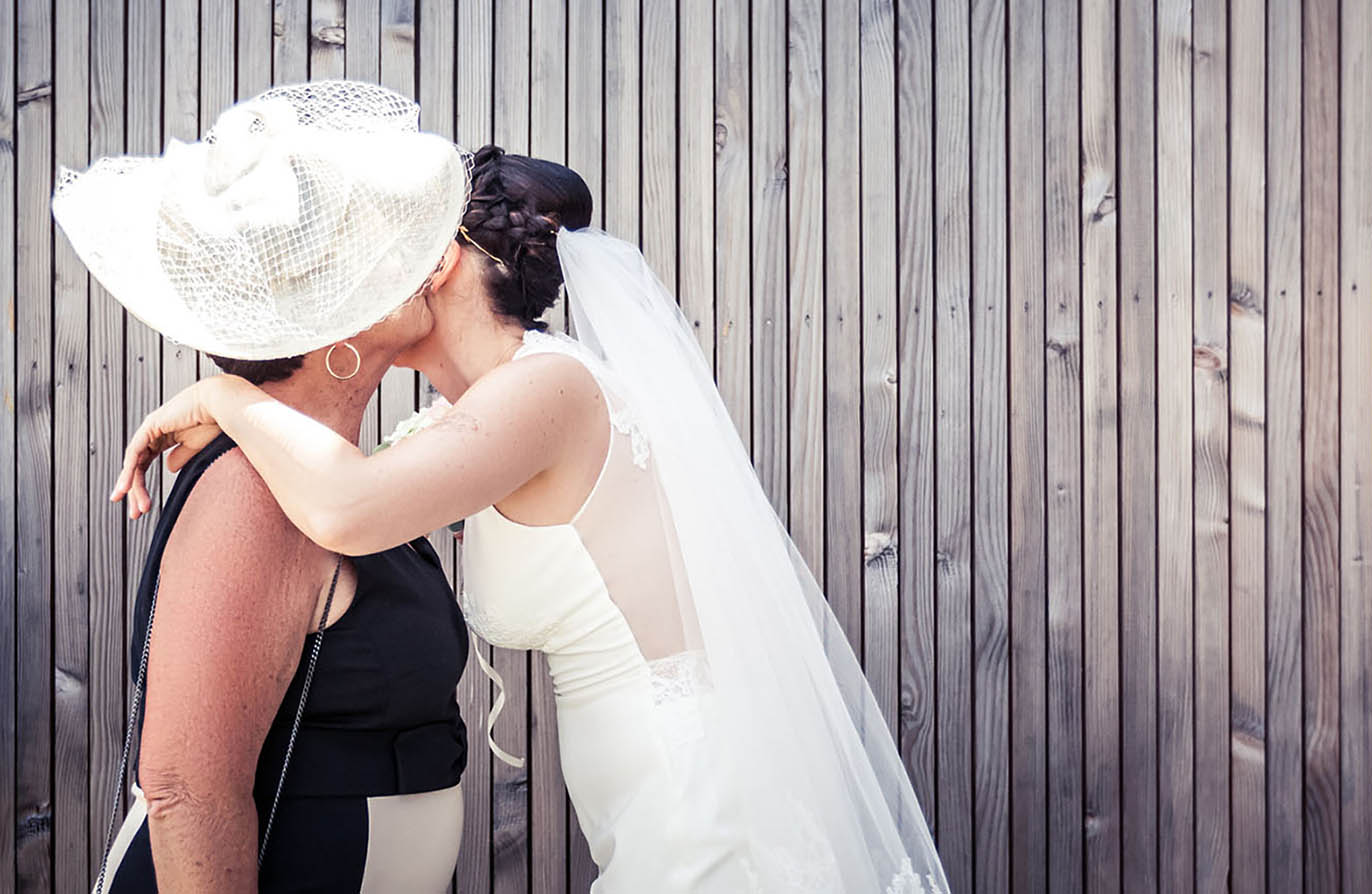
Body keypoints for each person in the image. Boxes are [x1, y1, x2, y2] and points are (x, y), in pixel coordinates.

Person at [107, 81, 951, 893]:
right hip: (634, 786)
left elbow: (346, 505)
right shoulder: (474, 422)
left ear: (436, 263)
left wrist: (223, 395)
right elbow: (332, 476)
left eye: (386, 250)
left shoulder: (547, 391)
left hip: (696, 786)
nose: (364, 275)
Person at [53, 83, 470, 893]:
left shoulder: (337, 476)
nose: (418, 261)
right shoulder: (252, 492)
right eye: (379, 247)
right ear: (331, 334)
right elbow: (186, 791)